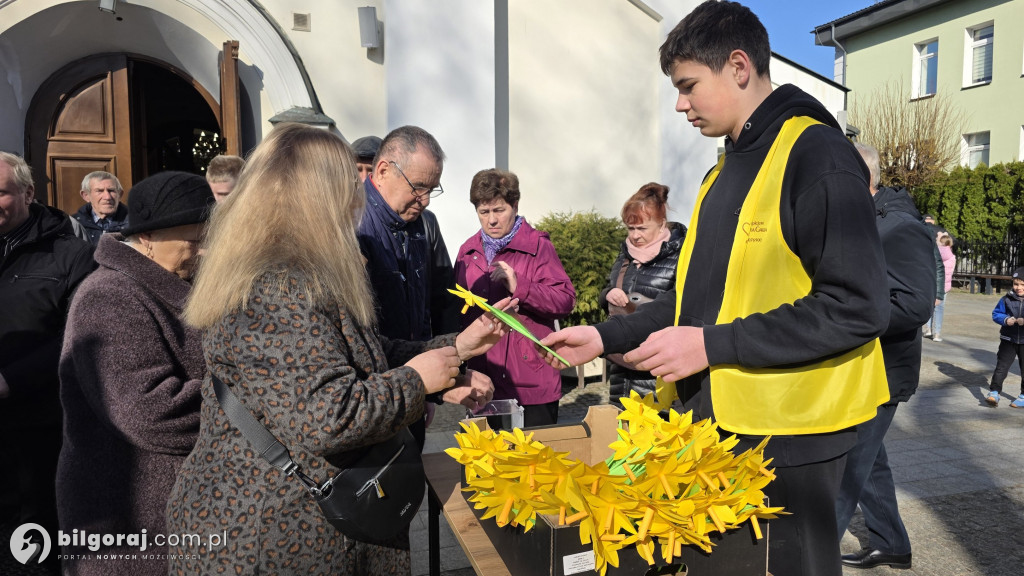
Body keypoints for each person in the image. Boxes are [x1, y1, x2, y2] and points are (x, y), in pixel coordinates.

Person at [539, 3, 891, 575]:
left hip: (793, 438)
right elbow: (693, 301)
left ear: (738, 66)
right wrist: (604, 336)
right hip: (721, 427)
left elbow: (858, 305)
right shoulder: (719, 174)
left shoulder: (816, 154)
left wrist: (710, 346)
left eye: (687, 86)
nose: (679, 104)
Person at [166, 123, 503, 575]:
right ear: (316, 195)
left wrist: (454, 350)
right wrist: (418, 380)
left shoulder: (292, 269)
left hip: (301, 519)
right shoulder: (279, 284)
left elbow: (358, 353)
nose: (357, 196)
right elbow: (330, 416)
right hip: (277, 529)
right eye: (349, 183)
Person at [57, 171, 215, 576]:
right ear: (147, 237)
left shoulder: (183, 284)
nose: (205, 253)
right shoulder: (109, 297)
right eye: (194, 242)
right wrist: (252, 394)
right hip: (130, 525)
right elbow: (150, 412)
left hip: (176, 516)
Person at [835, 143, 936, 571]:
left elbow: (916, 305)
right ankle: (892, 543)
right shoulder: (861, 221)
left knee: (843, 467)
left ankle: (811, 556)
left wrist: (846, 318)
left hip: (881, 370)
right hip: (858, 367)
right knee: (869, 462)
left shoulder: (899, 227)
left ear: (863, 178)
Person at [0, 151, 94, 575]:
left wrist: (9, 380)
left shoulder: (72, 254)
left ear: (28, 192)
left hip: (39, 424)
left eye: (0, 192)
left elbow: (81, 334)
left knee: (32, 539)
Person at [356, 125, 461, 445]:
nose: (426, 200)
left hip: (416, 384)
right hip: (370, 398)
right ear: (384, 170)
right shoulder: (350, 222)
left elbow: (439, 300)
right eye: (418, 187)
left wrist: (439, 384)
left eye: (433, 189)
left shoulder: (422, 225)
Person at [455, 168, 575, 427]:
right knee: (487, 463)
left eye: (499, 210)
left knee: (534, 464)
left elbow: (565, 300)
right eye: (483, 212)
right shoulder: (468, 252)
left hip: (531, 382)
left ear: (515, 205)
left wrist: (521, 285)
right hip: (482, 381)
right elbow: (457, 313)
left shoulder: (539, 247)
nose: (491, 220)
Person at [598, 183, 685, 404]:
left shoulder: (681, 256)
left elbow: (683, 307)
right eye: (630, 228)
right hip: (622, 371)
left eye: (642, 228)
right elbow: (608, 288)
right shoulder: (626, 255)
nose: (635, 236)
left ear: (662, 223)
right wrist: (608, 294)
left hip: (659, 375)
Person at [985, 267, 1024, 407]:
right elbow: (996, 314)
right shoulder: (1006, 299)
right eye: (1016, 284)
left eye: (1022, 284)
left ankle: (1023, 395)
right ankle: (994, 392)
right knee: (1001, 366)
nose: (1018, 287)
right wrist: (1006, 319)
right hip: (1008, 339)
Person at [73, 171, 128, 244]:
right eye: (100, 191)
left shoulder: (136, 222)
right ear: (86, 195)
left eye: (111, 191)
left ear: (120, 194)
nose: (107, 197)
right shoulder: (73, 225)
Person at [926, 233, 955, 342]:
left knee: (930, 306)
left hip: (933, 283)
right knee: (940, 309)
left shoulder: (935, 253)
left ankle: (928, 329)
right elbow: (951, 273)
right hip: (945, 286)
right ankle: (937, 334)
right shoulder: (952, 257)